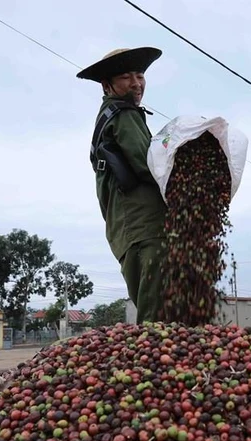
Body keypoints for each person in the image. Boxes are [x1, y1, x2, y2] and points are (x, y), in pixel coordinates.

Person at [77, 47, 167, 324]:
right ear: (107, 85)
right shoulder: (124, 114)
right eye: (126, 77)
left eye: (139, 76)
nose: (136, 83)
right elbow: (148, 166)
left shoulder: (115, 114)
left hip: (129, 228)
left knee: (157, 308)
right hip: (143, 226)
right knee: (156, 315)